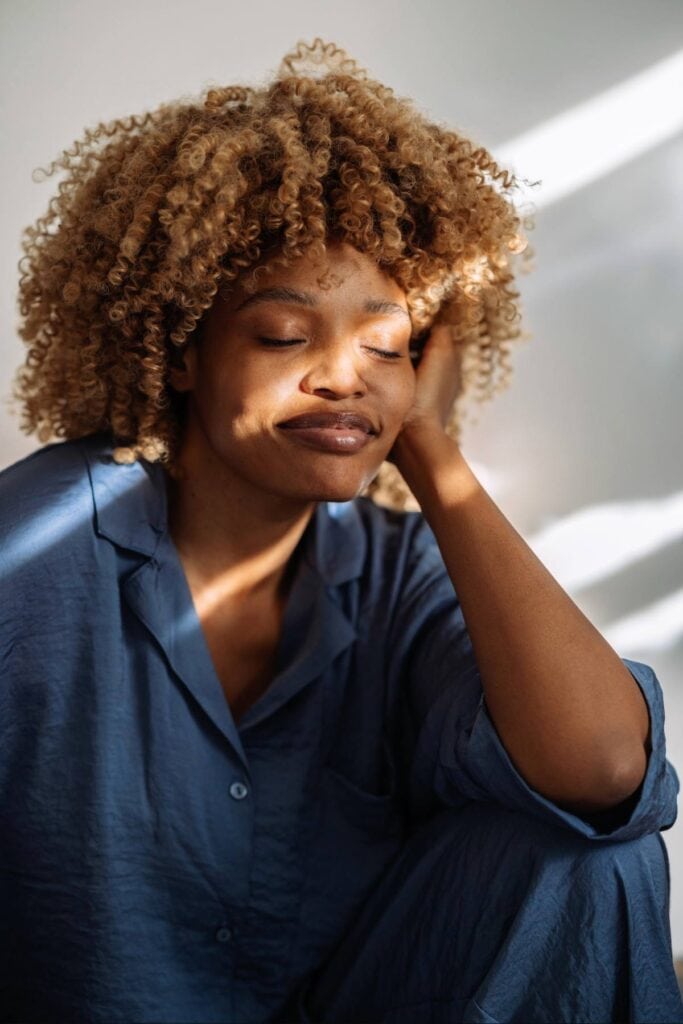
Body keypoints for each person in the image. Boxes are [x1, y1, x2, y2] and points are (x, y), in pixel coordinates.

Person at [1, 36, 681, 1024]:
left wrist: (435, 458)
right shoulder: (39, 550)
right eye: (284, 335)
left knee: (589, 857)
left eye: (386, 345)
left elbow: (603, 769)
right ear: (180, 347)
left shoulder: (397, 569)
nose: (342, 377)